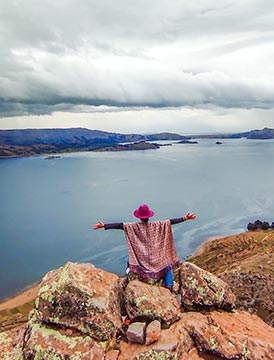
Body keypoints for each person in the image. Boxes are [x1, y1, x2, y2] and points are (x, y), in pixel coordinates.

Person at [93, 204, 196, 290]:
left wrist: (104, 226)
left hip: (142, 261)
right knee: (167, 266)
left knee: (129, 259)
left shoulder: (133, 227)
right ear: (149, 216)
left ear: (139, 217)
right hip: (157, 259)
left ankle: (131, 275)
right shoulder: (157, 225)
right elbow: (170, 222)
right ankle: (169, 286)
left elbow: (120, 225)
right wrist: (185, 218)